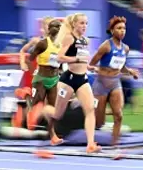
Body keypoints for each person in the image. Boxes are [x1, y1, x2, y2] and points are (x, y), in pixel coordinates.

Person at [33, 13, 101, 154]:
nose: (84, 26)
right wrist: (75, 59)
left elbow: (83, 60)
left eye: (86, 23)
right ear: (74, 24)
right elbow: (59, 58)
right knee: (58, 114)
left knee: (90, 110)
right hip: (68, 80)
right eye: (81, 23)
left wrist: (89, 67)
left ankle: (90, 144)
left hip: (82, 79)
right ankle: (44, 110)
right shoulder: (69, 38)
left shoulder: (86, 41)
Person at [89, 16, 139, 146]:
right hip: (101, 84)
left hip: (115, 83)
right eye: (119, 28)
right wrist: (99, 70)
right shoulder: (105, 46)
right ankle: (91, 142)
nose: (122, 31)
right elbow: (91, 64)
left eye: (124, 28)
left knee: (119, 115)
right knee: (99, 122)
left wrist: (130, 72)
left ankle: (114, 145)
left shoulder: (126, 48)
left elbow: (121, 67)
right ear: (112, 31)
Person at [26, 19, 64, 145]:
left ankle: (53, 135)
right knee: (39, 100)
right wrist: (33, 72)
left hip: (54, 79)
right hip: (41, 77)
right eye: (56, 28)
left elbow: (61, 61)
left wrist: (61, 72)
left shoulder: (62, 45)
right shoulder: (43, 43)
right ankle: (27, 99)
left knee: (52, 108)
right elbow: (30, 58)